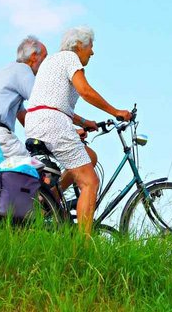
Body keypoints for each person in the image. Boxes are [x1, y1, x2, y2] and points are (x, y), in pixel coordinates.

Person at [25, 26, 131, 235]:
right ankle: (82, 247)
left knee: (89, 157)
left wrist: (83, 122)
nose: (92, 52)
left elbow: (53, 101)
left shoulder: (52, 61)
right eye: (91, 46)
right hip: (53, 123)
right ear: (79, 45)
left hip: (37, 122)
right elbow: (85, 91)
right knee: (90, 182)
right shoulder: (70, 58)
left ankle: (50, 200)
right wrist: (116, 111)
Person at [0, 35, 47, 159]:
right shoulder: (23, 70)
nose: (46, 63)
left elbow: (23, 116)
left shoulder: (8, 70)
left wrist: (45, 135)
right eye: (45, 57)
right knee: (34, 171)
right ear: (34, 56)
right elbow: (43, 102)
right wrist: (67, 131)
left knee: (0, 176)